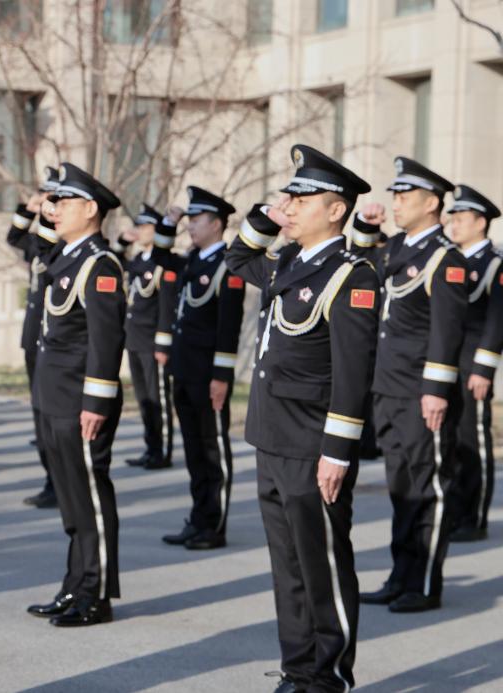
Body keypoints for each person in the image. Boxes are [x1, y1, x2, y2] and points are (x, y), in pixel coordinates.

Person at [226, 145, 378, 693]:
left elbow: (352, 373)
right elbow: (237, 260)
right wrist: (266, 218)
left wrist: (337, 451)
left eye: (301, 197)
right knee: (288, 566)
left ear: (336, 210)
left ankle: (330, 676)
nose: (289, 206)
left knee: (323, 565)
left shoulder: (351, 275)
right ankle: (298, 668)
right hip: (272, 435)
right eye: (288, 196)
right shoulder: (290, 261)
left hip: (314, 443)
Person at [353, 157, 467, 613]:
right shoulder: (396, 248)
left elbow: (447, 330)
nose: (396, 203)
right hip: (389, 386)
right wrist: (364, 227)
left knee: (427, 486)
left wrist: (437, 389)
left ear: (432, 202)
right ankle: (401, 575)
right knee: (401, 486)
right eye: (395, 195)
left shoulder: (446, 258)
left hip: (422, 392)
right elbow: (360, 268)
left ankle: (423, 583)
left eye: (405, 196)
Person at [25, 162, 125, 628]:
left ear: (90, 209)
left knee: (90, 497)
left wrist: (97, 403)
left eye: (62, 202)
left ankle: (96, 593)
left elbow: (107, 342)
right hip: (54, 397)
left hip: (80, 403)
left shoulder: (99, 265)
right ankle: (75, 583)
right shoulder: (66, 257)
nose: (53, 209)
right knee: (70, 498)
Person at [160, 187, 244, 550]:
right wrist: (169, 221)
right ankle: (197, 518)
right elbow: (161, 257)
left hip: (209, 374)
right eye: (189, 220)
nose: (190, 227)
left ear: (216, 223)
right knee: (194, 450)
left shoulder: (229, 265)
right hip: (185, 370)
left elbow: (229, 327)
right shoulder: (193, 260)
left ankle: (215, 524)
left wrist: (222, 376)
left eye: (196, 221)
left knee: (214, 450)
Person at [442, 185, 503, 542]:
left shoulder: (494, 264)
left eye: (461, 219)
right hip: (448, 363)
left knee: (473, 439)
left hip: (472, 365)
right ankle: (454, 509)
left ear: (481, 222)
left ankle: (474, 516)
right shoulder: (453, 259)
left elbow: (497, 319)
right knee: (450, 440)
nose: (454, 225)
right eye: (453, 219)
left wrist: (484, 368)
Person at [7, 169, 61, 508]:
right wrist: (29, 206)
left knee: (52, 415)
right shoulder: (38, 246)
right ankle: (50, 480)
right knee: (40, 413)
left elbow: (42, 239)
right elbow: (14, 236)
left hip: (52, 338)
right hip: (34, 337)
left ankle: (58, 482)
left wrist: (45, 212)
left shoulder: (62, 244)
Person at [121, 203, 178, 470]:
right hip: (134, 339)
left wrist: (162, 343)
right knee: (144, 399)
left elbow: (167, 306)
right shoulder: (139, 261)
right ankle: (150, 446)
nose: (140, 231)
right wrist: (123, 240)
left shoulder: (162, 263)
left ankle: (162, 451)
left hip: (152, 342)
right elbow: (115, 259)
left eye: (145, 227)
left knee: (158, 399)